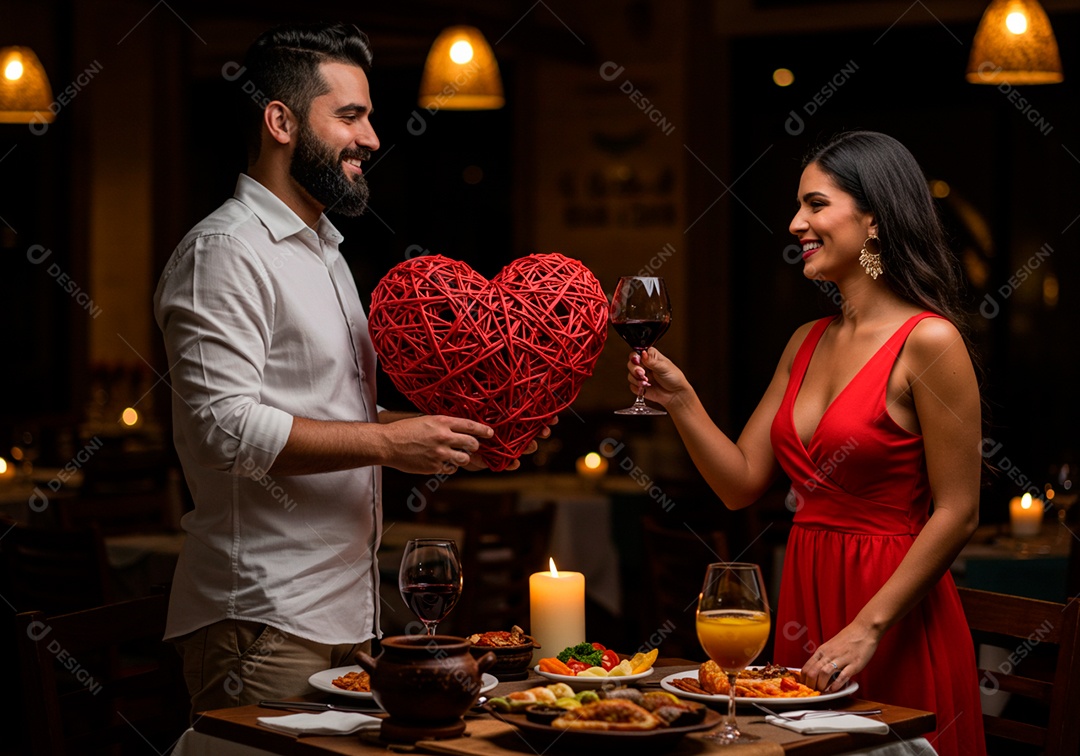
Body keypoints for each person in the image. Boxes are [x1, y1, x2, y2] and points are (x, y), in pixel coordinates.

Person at [154, 21, 543, 717]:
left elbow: (344, 413)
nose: (370, 138)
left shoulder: (324, 251)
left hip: (347, 619)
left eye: (369, 117)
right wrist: (392, 445)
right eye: (351, 116)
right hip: (261, 621)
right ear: (280, 120)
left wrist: (448, 436)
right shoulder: (223, 252)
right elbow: (225, 431)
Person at [626, 130, 986, 755]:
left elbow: (959, 510)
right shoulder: (806, 340)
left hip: (890, 610)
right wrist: (681, 397)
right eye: (798, 206)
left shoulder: (930, 342)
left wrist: (866, 629)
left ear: (874, 219)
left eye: (816, 205)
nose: (796, 223)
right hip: (805, 587)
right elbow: (739, 485)